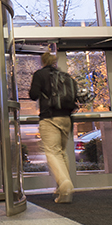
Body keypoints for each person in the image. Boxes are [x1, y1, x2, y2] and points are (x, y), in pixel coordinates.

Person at [29, 51, 80, 204]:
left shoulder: (40, 74)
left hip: (49, 117)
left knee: (52, 152)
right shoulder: (64, 76)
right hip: (66, 118)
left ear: (43, 61)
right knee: (62, 152)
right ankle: (61, 188)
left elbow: (33, 95)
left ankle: (65, 184)